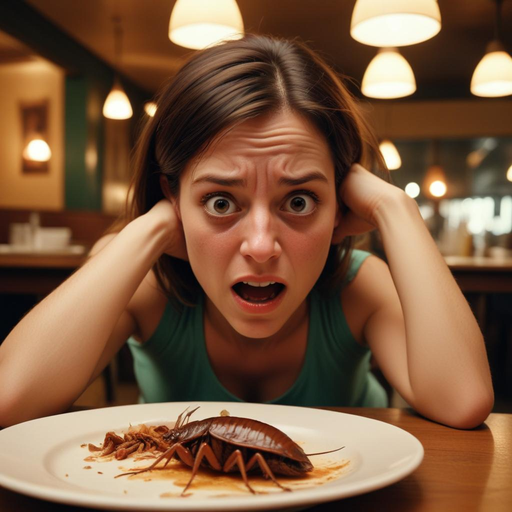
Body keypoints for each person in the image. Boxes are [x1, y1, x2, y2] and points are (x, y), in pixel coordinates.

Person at [0, 35, 493, 429]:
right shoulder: (148, 286)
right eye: (219, 202)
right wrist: (149, 227)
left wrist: (395, 206)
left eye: (299, 201)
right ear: (173, 197)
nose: (260, 246)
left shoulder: (359, 288)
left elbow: (463, 401)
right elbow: (8, 399)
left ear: (340, 205)